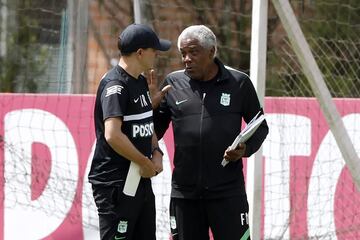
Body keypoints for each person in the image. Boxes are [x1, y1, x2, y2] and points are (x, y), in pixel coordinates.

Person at [152, 25, 269, 240]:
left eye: (193, 52)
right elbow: (152, 132)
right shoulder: (172, 84)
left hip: (227, 193)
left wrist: (244, 149)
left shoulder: (239, 83)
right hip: (185, 194)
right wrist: (149, 109)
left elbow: (260, 126)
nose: (187, 58)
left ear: (212, 52)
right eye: (183, 54)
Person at [88, 23, 171, 240]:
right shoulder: (115, 85)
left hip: (139, 180)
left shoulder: (141, 81)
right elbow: (112, 135)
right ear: (140, 52)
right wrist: (144, 163)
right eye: (154, 50)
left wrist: (156, 152)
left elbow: (145, 122)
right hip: (115, 182)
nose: (157, 54)